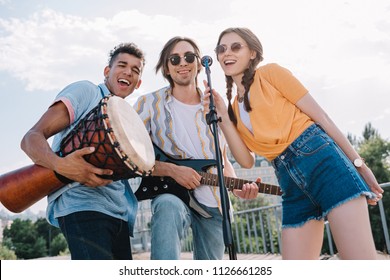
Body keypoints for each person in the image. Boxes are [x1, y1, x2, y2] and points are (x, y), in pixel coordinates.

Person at [204, 27, 384, 260]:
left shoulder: (270, 74)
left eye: (236, 46)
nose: (227, 53)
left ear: (252, 53)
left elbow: (322, 117)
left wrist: (360, 165)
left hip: (323, 163)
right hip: (290, 183)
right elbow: (246, 161)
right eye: (222, 48)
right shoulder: (234, 108)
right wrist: (225, 120)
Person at [133, 36, 259, 260]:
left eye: (189, 57)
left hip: (215, 204)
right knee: (167, 205)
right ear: (166, 67)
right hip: (171, 194)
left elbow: (222, 159)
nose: (182, 62)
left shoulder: (215, 106)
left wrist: (237, 187)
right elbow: (130, 153)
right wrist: (172, 171)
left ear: (199, 63)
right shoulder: (148, 104)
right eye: (175, 59)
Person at [20, 43, 145, 260]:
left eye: (135, 70)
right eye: (122, 65)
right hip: (82, 205)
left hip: (119, 214)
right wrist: (60, 165)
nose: (128, 72)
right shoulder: (87, 91)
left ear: (138, 83)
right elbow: (30, 138)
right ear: (107, 71)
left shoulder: (127, 118)